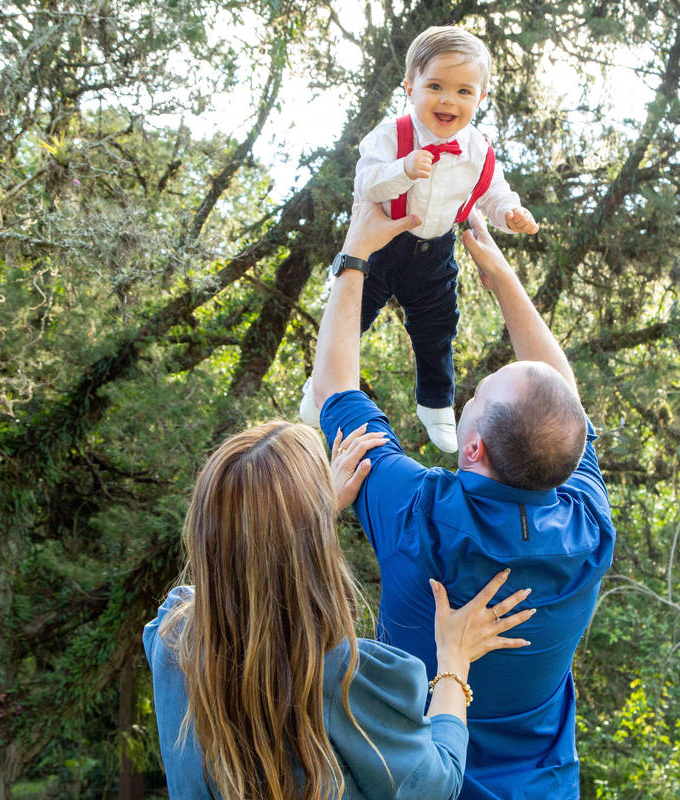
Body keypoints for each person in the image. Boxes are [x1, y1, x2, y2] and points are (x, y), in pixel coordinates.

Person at [309, 202, 616, 800]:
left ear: (471, 445)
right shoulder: (589, 530)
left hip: (415, 779)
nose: (469, 396)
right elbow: (562, 403)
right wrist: (500, 275)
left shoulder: (419, 513)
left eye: (475, 394)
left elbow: (334, 388)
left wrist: (354, 257)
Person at [144, 420, 537, 799]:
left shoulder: (171, 638)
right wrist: (455, 661)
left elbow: (235, 577)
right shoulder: (343, 676)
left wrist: (301, 519)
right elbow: (434, 785)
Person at [300, 25, 539, 453]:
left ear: (480, 99)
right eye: (436, 86)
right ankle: (320, 387)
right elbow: (365, 184)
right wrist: (404, 169)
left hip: (435, 251)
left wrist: (510, 214)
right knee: (350, 316)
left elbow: (492, 194)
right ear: (410, 88)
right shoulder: (392, 135)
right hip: (383, 244)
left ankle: (435, 404)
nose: (449, 100)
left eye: (464, 91)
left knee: (437, 328)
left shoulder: (479, 150)